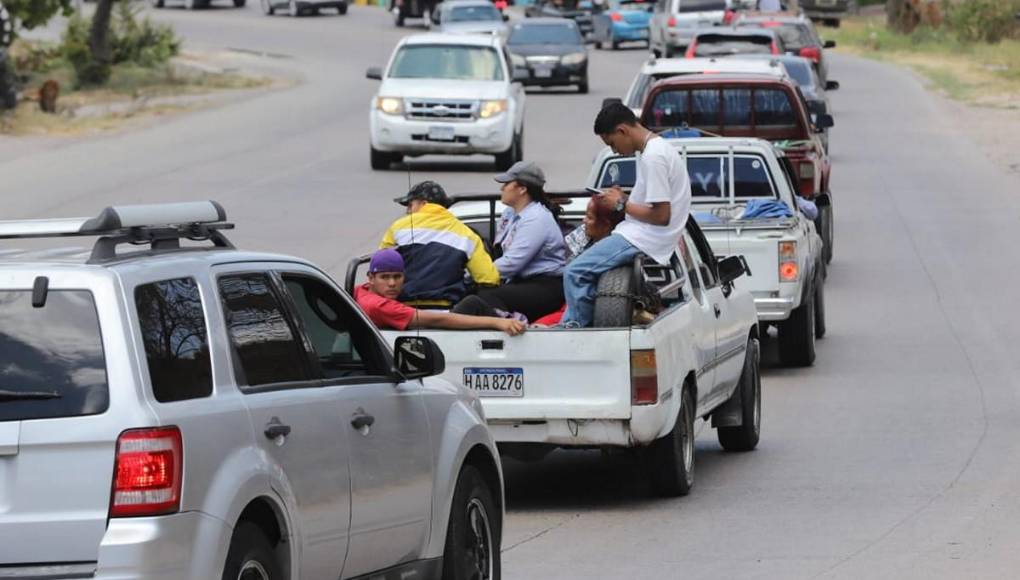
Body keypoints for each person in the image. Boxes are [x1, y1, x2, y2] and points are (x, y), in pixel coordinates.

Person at [560, 102, 691, 328]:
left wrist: (620, 204)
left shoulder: (653, 157)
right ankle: (575, 322)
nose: (614, 150)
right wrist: (625, 197)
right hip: (639, 232)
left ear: (623, 131)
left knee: (575, 272)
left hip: (644, 237)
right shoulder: (656, 149)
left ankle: (575, 330)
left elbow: (662, 215)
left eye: (612, 143)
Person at [453, 161, 567, 322]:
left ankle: (511, 328)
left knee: (484, 295)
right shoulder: (509, 214)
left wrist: (475, 274)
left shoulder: (536, 219)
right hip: (520, 283)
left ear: (522, 189)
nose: (502, 188)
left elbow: (512, 262)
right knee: (471, 291)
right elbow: (499, 251)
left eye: (507, 184)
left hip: (545, 286)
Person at [380, 180, 500, 307]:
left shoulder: (398, 227)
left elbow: (381, 267)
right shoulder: (467, 235)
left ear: (424, 203)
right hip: (447, 311)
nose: (408, 211)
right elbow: (489, 279)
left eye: (410, 205)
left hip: (403, 309)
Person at [355, 249, 526, 336]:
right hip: (431, 339)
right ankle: (510, 323)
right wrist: (497, 324)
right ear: (371, 277)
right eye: (385, 277)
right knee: (473, 302)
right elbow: (438, 319)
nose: (392, 283)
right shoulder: (379, 305)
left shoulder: (361, 291)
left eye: (397, 277)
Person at [533, 197, 626, 326]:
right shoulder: (584, 236)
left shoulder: (614, 253)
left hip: (581, 309)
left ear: (605, 224)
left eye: (589, 217)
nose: (584, 221)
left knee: (536, 328)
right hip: (562, 298)